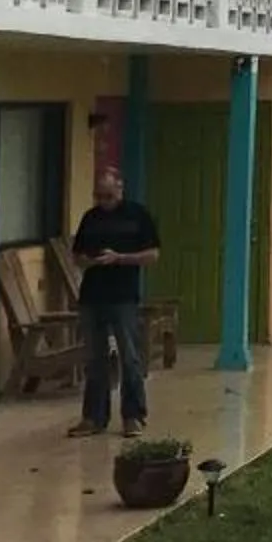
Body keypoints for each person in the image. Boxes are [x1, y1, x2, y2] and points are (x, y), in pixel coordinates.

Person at [66, 165, 162, 439]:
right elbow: (77, 255)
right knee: (94, 359)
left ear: (120, 189)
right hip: (92, 295)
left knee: (129, 356)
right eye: (98, 195)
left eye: (108, 195)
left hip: (123, 296)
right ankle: (93, 417)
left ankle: (134, 415)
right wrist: (89, 261)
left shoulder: (138, 216)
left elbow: (153, 255)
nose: (103, 201)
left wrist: (120, 258)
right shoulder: (90, 218)